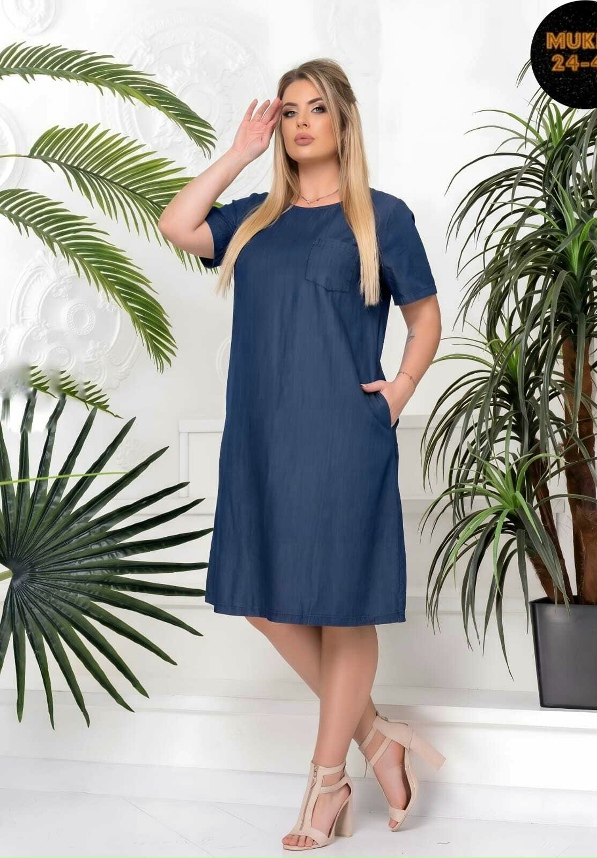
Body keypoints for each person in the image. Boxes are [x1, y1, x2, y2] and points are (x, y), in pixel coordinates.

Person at [159, 57, 445, 851]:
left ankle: (326, 786)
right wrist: (239, 152)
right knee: (260, 595)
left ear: (343, 120)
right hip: (261, 433)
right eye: (289, 112)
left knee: (341, 604)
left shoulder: (382, 217)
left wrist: (399, 392)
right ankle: (379, 738)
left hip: (343, 434)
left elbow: (425, 319)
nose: (301, 123)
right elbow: (178, 224)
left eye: (316, 108)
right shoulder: (256, 218)